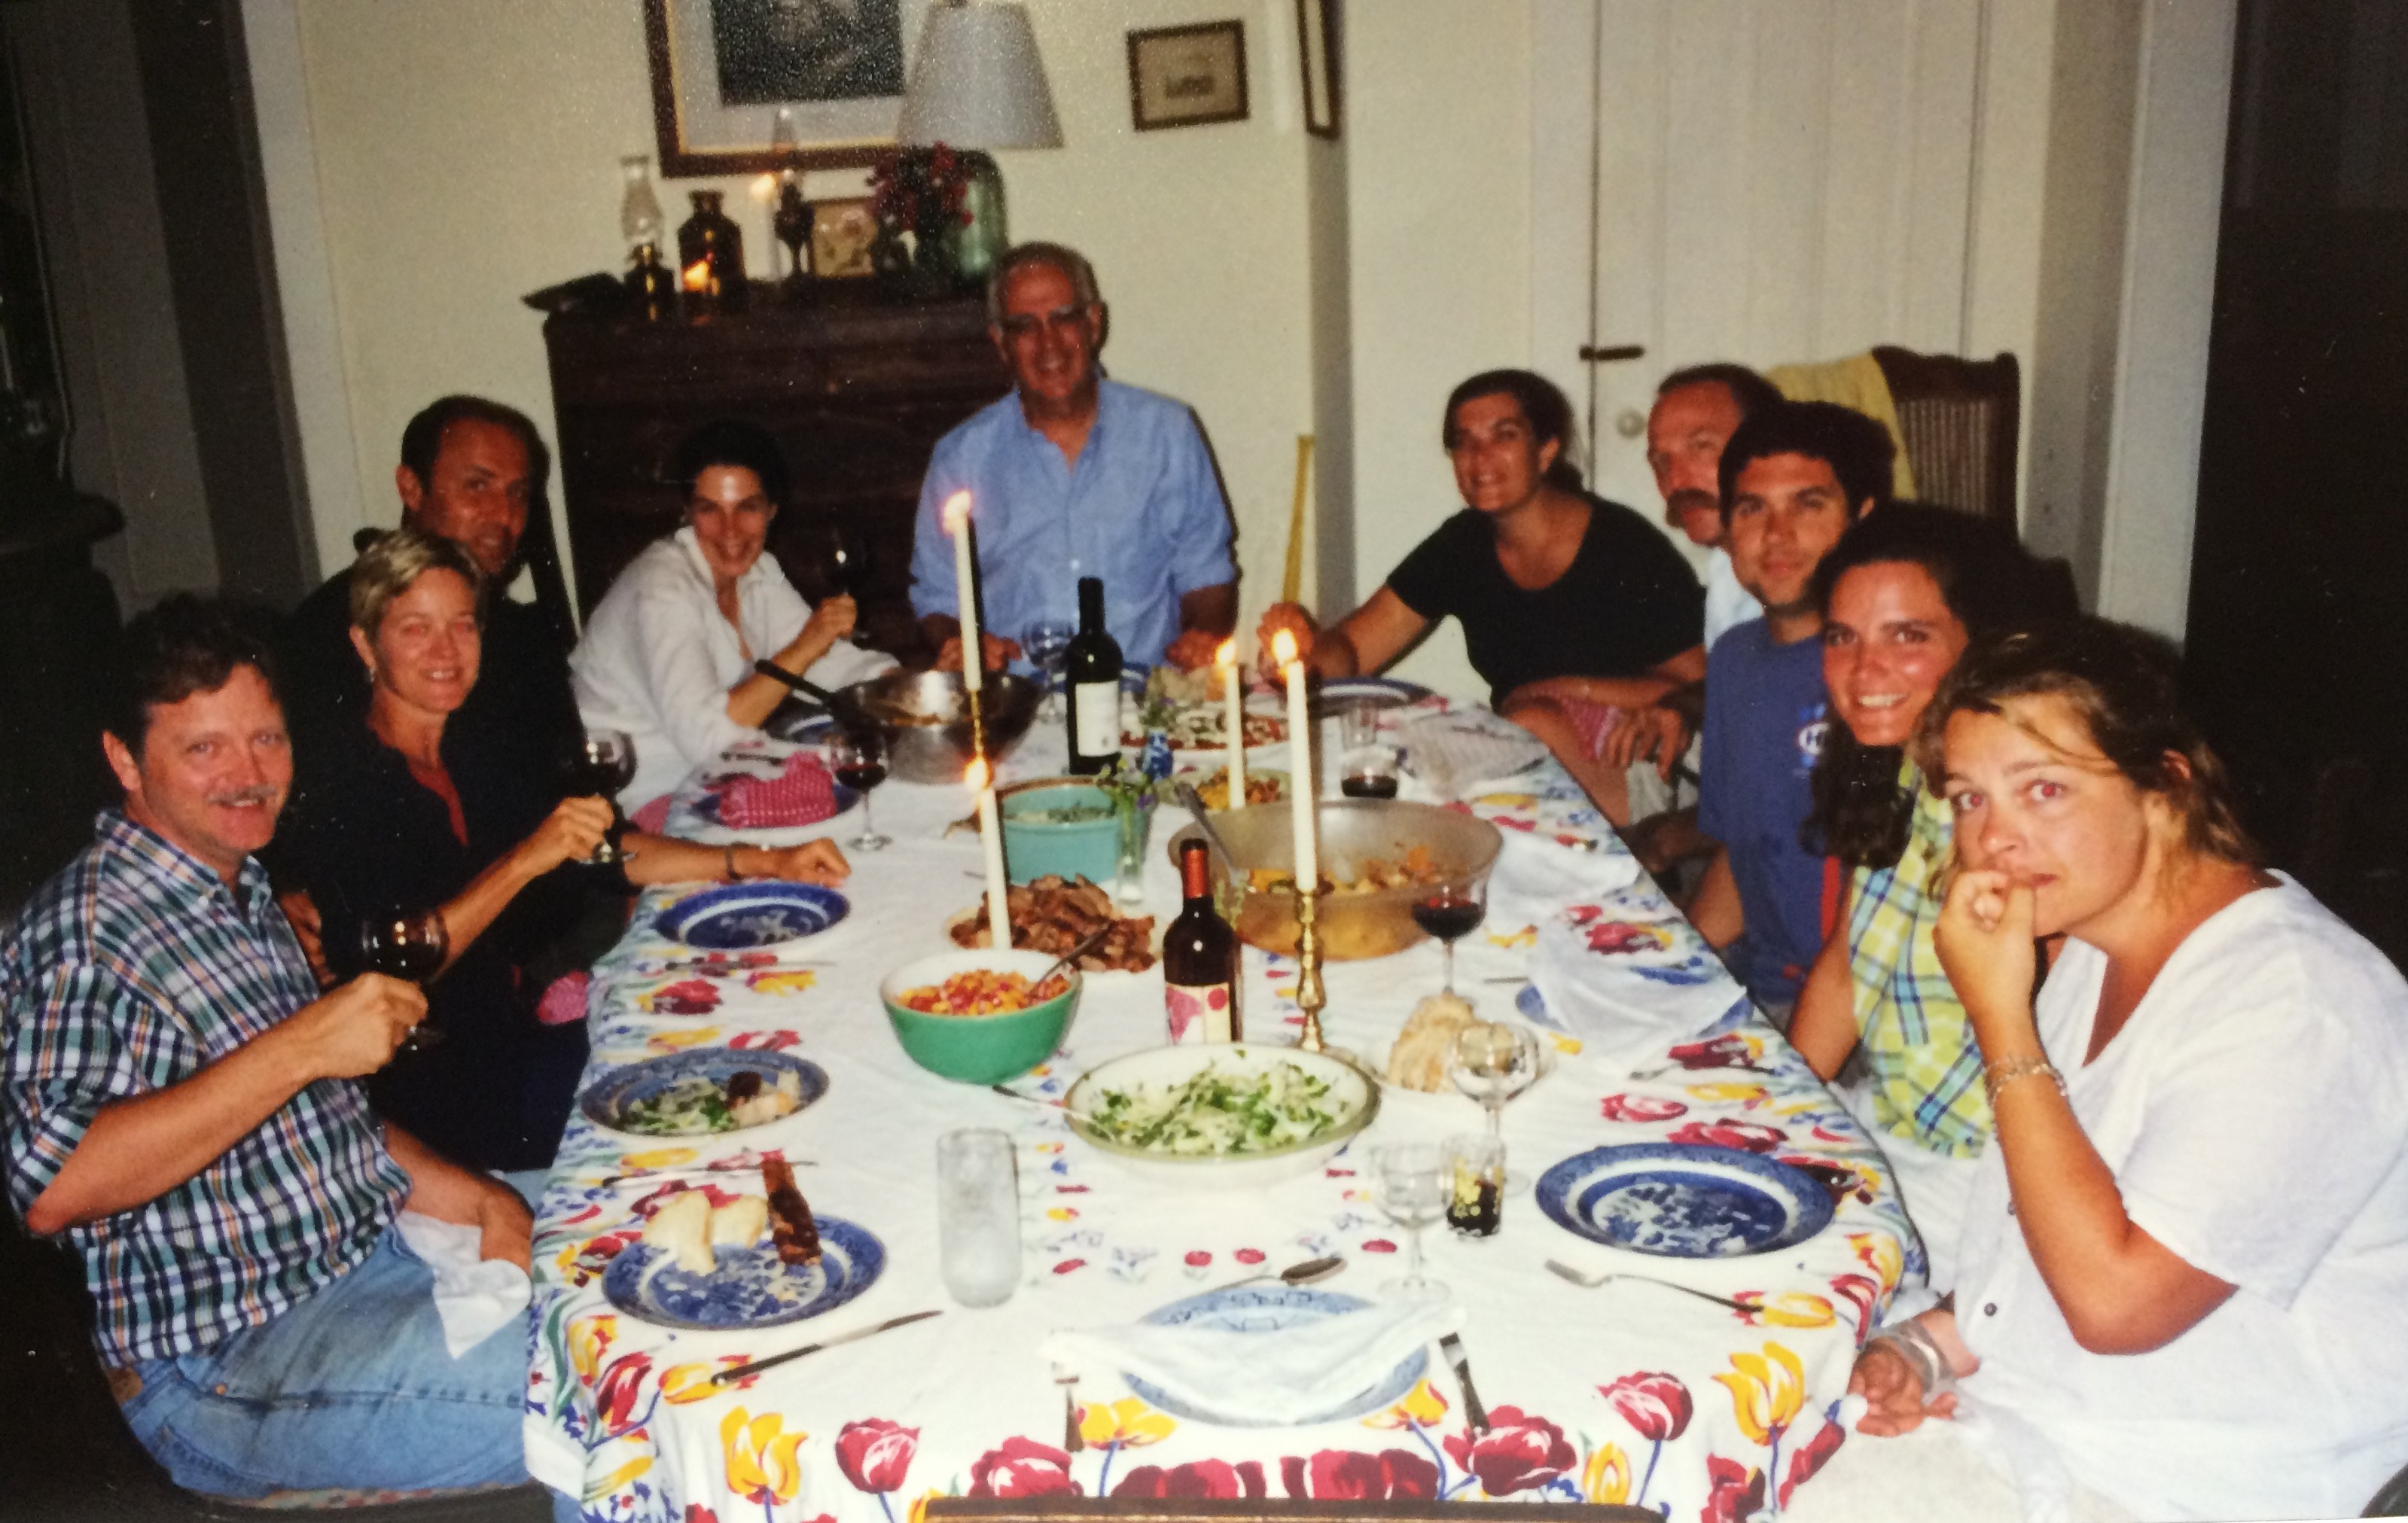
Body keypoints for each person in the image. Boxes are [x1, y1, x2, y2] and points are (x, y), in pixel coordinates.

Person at [1846, 617, 2408, 1521]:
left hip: (2195, 1482)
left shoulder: (2299, 1002)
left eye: (2045, 790)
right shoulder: (2099, 946)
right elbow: (2043, 1229)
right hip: (2047, 1422)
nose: (1996, 839)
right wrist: (1927, 1346)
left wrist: (2002, 1023)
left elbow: (2116, 1304)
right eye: (1970, 798)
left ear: (2165, 785)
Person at [0, 595, 558, 1503]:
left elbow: (324, 1121)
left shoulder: (240, 886)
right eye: (204, 747)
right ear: (123, 759)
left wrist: (483, 1200)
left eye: (266, 739)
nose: (248, 774)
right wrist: (302, 1045)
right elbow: (53, 1186)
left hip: (377, 1249)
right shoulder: (89, 935)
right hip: (225, 1364)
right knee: (607, 1387)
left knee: (640, 1221)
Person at [280, 530, 851, 1171]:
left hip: (518, 1040)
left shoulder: (471, 748)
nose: (445, 650)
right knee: (717, 1105)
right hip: (436, 1099)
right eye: (416, 628)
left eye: (463, 626)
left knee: (751, 1025)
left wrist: (762, 861)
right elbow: (393, 976)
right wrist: (525, 859)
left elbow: (596, 851)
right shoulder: (344, 787)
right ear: (365, 644)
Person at [1785, 505, 2072, 1301]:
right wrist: (1777, 1118)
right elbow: (1845, 970)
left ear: (1979, 647)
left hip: (1985, 1177)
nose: (1864, 669)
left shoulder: (2016, 821)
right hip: (1887, 1125)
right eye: (1842, 637)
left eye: (1907, 636)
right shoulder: (1905, 773)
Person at [1257, 369, 1704, 824]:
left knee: (1516, 739)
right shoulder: (1463, 544)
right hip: (1530, 746)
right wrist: (1303, 659)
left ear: (1547, 449)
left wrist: (1570, 689)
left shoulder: (1623, 545)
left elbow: (1700, 687)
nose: (1480, 457)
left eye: (1503, 436)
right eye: (1464, 442)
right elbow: (1353, 650)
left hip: (1641, 763)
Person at [909, 242, 1237, 675]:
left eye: (1064, 319)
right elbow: (937, 596)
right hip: (1017, 708)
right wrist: (962, 644)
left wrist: (1201, 637)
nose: (1050, 345)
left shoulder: (1167, 433)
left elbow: (1207, 575)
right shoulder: (961, 457)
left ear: (1093, 323)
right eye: (1025, 326)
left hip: (1139, 702)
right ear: (1001, 343)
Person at [1685, 402, 1893, 1018]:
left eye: (1808, 503)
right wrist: (1674, 961)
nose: (1777, 535)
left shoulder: (1880, 675)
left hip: (1857, 1011)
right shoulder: (1732, 659)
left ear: (1861, 519)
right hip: (1764, 982)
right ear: (1726, 528)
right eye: (1752, 509)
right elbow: (1743, 852)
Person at [572, 420, 895, 815]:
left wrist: (906, 688)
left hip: (713, 781)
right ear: (687, 512)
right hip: (635, 803)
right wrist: (807, 644)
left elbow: (829, 664)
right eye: (710, 509)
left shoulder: (758, 572)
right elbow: (711, 740)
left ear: (772, 511)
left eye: (748, 507)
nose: (730, 531)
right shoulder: (660, 590)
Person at [278, 395, 578, 769]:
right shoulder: (331, 631)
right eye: (477, 487)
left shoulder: (522, 637)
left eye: (517, 494)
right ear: (411, 489)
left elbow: (570, 788)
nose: (504, 515)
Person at [1647, 362, 1790, 650]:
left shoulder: (1822, 577)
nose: (1675, 481)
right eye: (1661, 462)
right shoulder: (1726, 564)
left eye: (1701, 447)